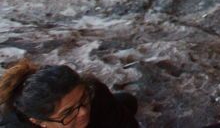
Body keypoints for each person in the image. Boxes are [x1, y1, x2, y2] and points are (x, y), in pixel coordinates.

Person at [0, 59, 139, 128]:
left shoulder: (94, 93)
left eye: (83, 99)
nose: (83, 112)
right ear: (39, 122)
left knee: (127, 101)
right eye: (68, 112)